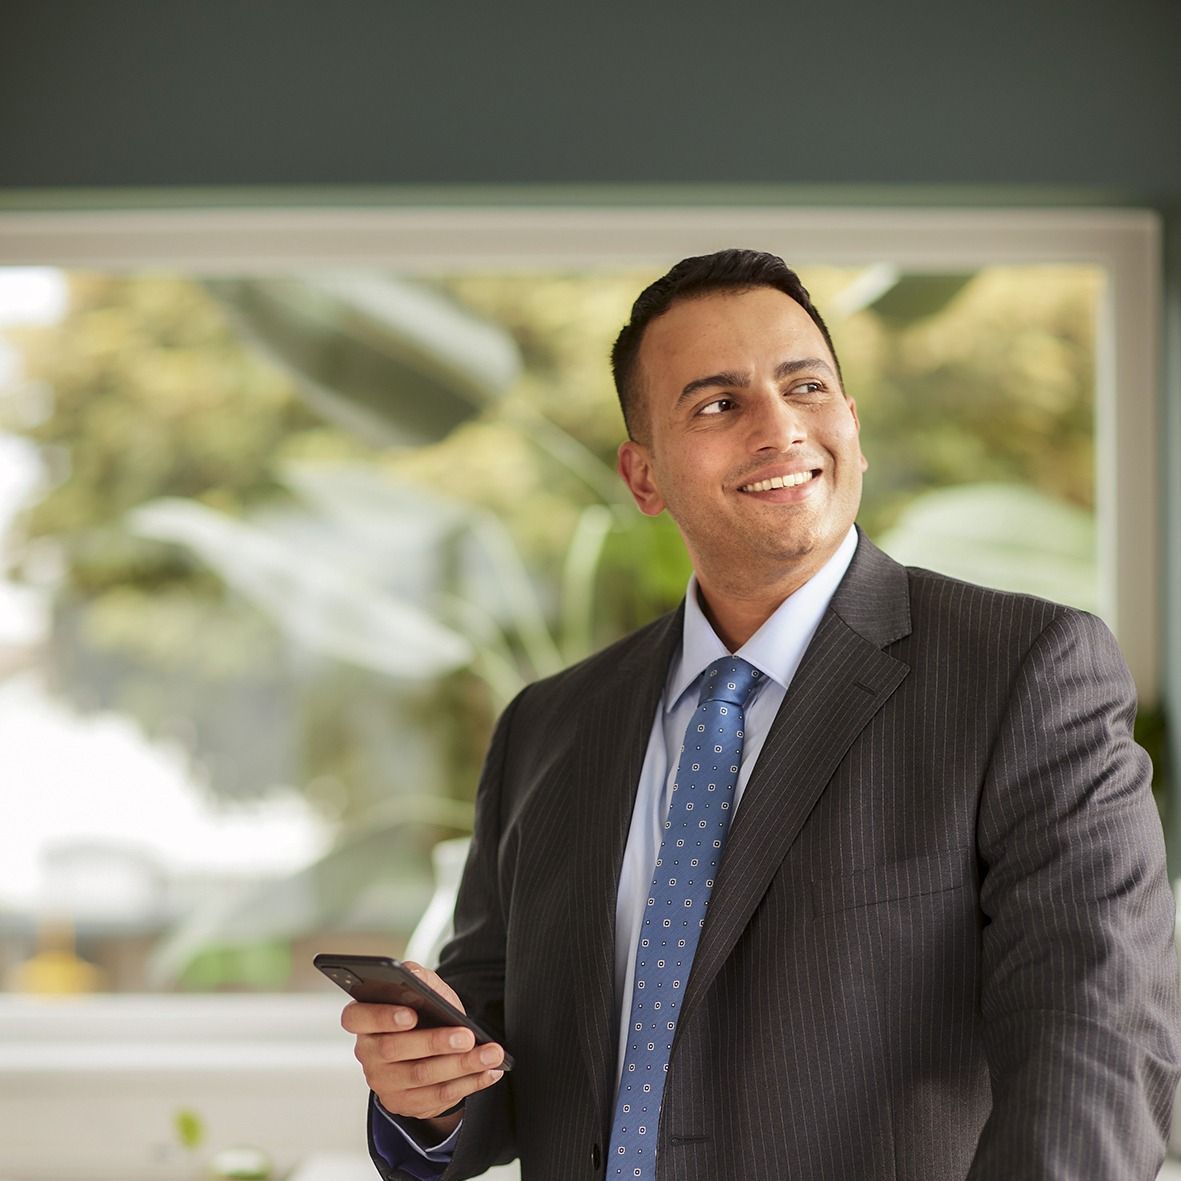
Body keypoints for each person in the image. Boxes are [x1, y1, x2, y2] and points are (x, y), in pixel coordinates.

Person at [343, 249, 1181, 1180]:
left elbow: (1098, 1037)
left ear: (851, 427)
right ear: (643, 475)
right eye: (717, 403)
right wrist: (429, 1091)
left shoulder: (1023, 671)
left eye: (806, 385)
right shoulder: (549, 726)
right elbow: (503, 1053)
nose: (779, 427)